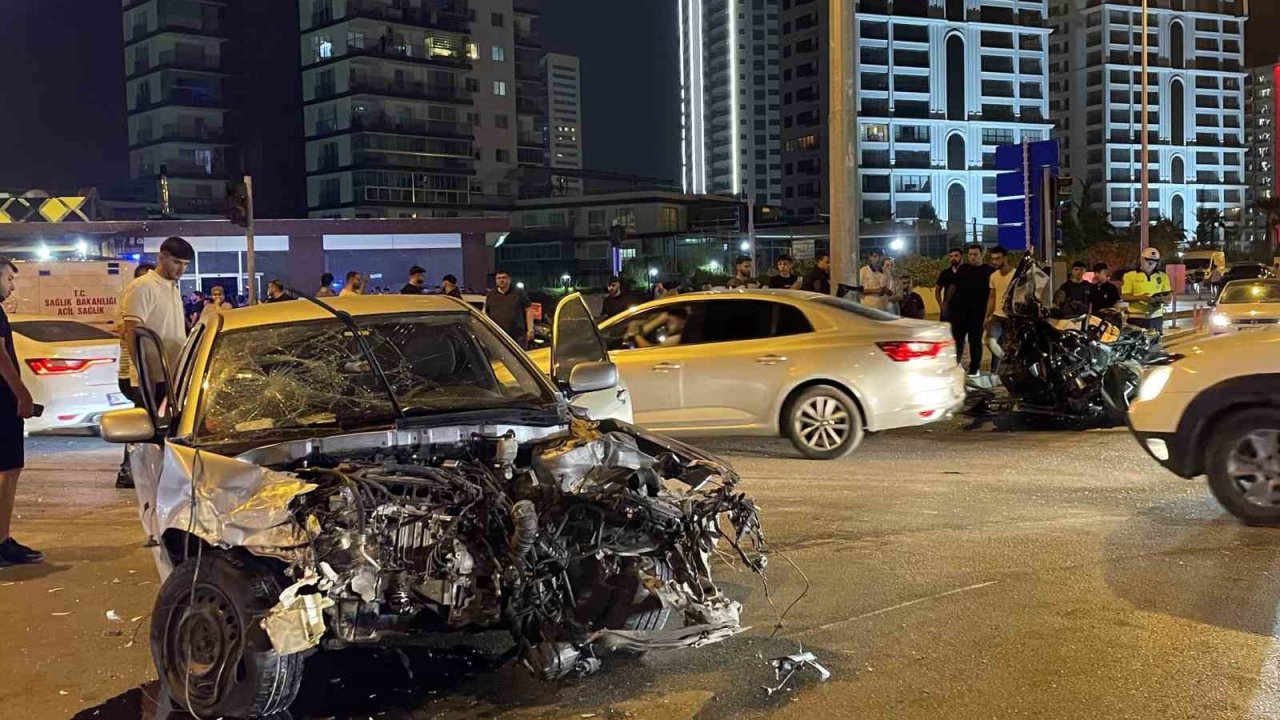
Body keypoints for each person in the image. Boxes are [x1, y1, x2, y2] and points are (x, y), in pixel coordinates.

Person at [119, 237, 193, 489]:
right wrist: (143, 373)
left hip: (172, 374)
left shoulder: (171, 287)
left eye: (185, 264)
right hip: (152, 376)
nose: (181, 269)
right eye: (176, 262)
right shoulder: (143, 287)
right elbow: (132, 330)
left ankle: (157, 479)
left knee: (163, 432)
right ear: (161, 257)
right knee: (147, 432)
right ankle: (135, 476)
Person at [0, 259, 39, 566]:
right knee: (6, 471)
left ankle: (4, 538)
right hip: (2, 402)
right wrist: (22, 394)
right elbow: (0, 357)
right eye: (9, 278)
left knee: (9, 471)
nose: (12, 286)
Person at [948, 244, 993, 376]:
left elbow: (993, 294)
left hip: (978, 314)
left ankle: (974, 369)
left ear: (982, 255)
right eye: (970, 254)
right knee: (957, 342)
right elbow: (953, 287)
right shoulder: (963, 269)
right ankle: (955, 366)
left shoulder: (988, 271)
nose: (972, 257)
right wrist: (946, 304)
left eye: (975, 254)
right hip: (960, 313)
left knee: (975, 343)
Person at [1122, 247, 1172, 334]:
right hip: (1137, 318)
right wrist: (1141, 297)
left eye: (1155, 261)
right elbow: (1125, 296)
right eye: (1147, 260)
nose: (1151, 263)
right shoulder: (1129, 276)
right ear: (1141, 259)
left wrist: (1160, 299)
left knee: (1155, 345)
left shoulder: (1163, 276)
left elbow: (1169, 299)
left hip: (1156, 318)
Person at [982, 246, 1015, 374]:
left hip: (1011, 317)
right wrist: (987, 316)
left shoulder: (1015, 275)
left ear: (1005, 258)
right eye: (993, 259)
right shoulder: (993, 276)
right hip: (996, 316)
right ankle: (1000, 368)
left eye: (998, 258)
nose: (995, 262)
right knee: (990, 341)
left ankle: (1002, 373)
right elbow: (992, 297)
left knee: (1007, 345)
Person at [485, 270, 535, 347]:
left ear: (509, 279)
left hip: (518, 337)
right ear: (496, 281)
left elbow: (529, 310)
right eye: (499, 278)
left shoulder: (519, 293)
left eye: (504, 278)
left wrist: (530, 329)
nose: (501, 280)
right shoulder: (491, 295)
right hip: (497, 336)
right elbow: (486, 313)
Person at [934, 247, 963, 322]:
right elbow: (937, 291)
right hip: (948, 309)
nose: (953, 258)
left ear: (961, 256)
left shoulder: (968, 271)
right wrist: (942, 306)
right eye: (951, 256)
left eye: (956, 255)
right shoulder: (945, 273)